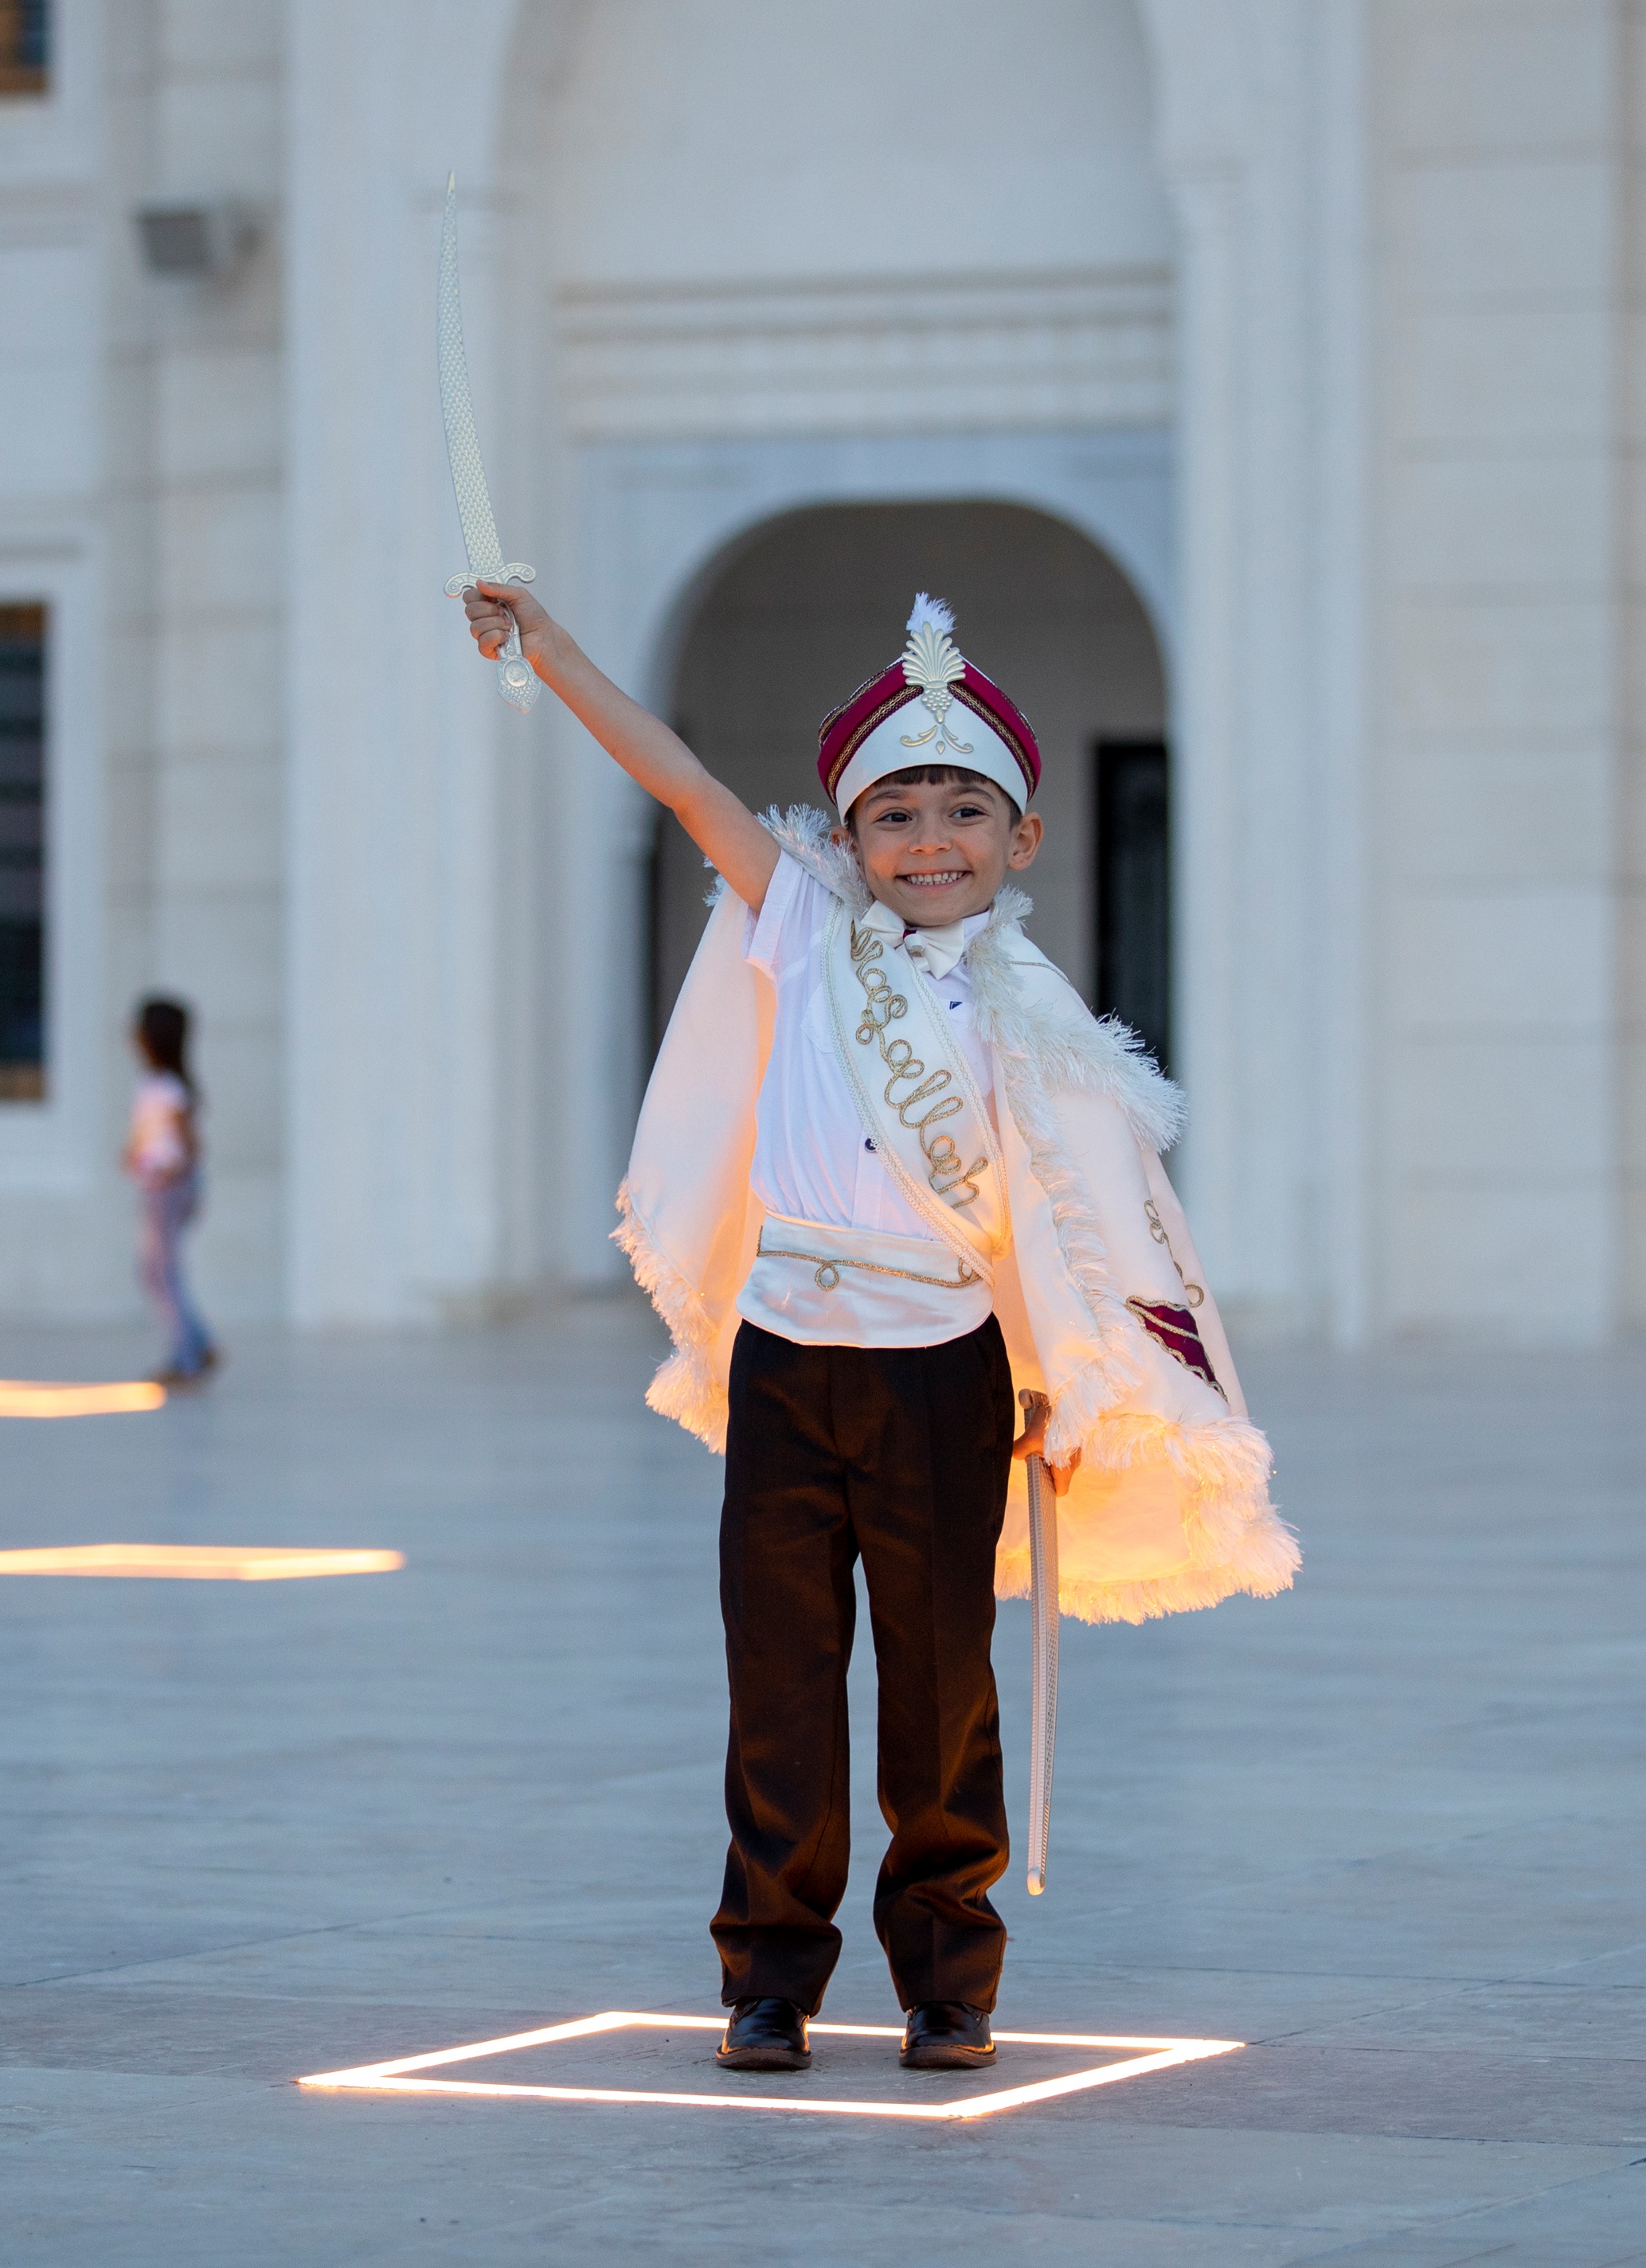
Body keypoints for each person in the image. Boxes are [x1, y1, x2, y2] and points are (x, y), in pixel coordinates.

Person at [458, 581, 1295, 2075]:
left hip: (945, 1376)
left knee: (939, 1686)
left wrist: (1062, 1382)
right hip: (789, 1353)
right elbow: (682, 779)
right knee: (776, 1683)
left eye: (961, 811)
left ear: (1021, 838)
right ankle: (769, 1975)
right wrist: (552, 647)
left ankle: (947, 1978)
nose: (927, 841)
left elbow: (1077, 1222)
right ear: (844, 840)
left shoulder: (1036, 1020)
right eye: (892, 813)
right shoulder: (800, 927)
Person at [124, 995, 218, 1388]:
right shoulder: (154, 1085)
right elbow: (148, 1134)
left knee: (162, 1272)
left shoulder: (169, 1088)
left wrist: (171, 1173)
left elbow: (188, 1144)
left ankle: (187, 1357)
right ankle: (196, 1342)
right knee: (157, 1271)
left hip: (169, 1189)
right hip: (159, 1186)